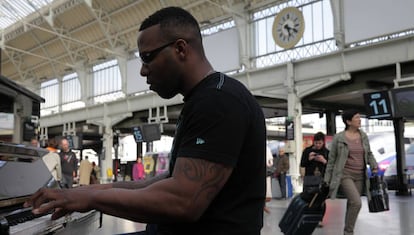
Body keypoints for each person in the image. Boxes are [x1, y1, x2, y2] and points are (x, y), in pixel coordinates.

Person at [24, 7, 266, 235]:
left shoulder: (217, 101)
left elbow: (183, 201)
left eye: (147, 57)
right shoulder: (206, 98)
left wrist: (92, 199)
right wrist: (89, 190)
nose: (142, 70)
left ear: (180, 49)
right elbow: (169, 181)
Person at [323, 109, 378, 235]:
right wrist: (327, 179)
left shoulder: (363, 136)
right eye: (357, 118)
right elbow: (331, 160)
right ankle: (349, 232)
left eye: (360, 117)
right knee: (356, 202)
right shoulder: (339, 138)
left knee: (352, 203)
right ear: (348, 121)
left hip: (360, 175)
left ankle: (347, 230)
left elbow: (368, 153)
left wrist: (374, 164)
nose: (360, 120)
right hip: (345, 174)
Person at [300, 131, 329, 227]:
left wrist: (324, 161)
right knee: (307, 198)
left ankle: (319, 219)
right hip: (309, 178)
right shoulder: (307, 151)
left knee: (321, 200)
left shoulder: (326, 152)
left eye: (320, 143)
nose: (318, 145)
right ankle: (307, 218)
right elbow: (302, 164)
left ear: (323, 142)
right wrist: (309, 159)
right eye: (316, 143)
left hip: (322, 179)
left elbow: (331, 166)